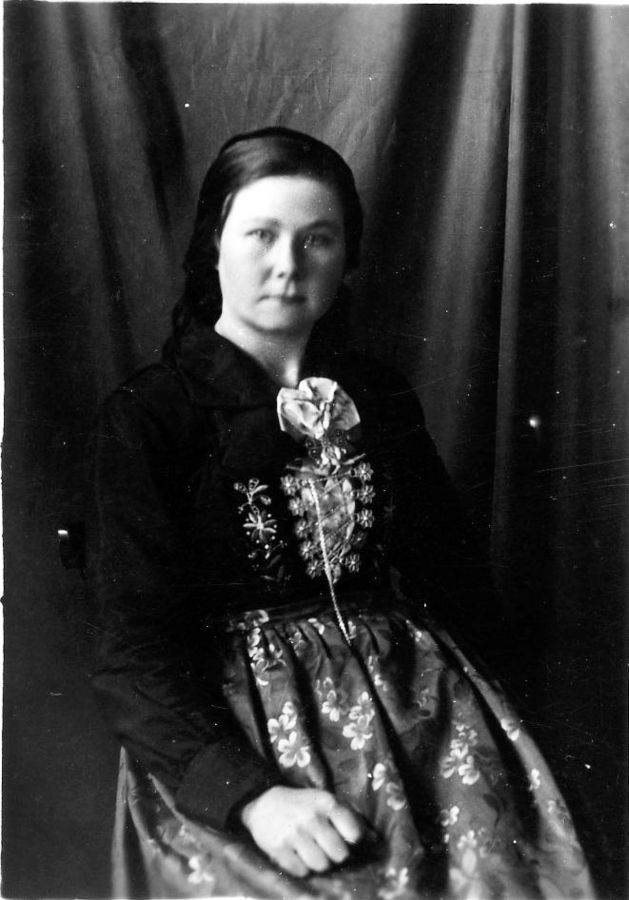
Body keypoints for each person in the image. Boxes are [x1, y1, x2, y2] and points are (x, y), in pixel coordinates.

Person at [87, 127, 596, 900]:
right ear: (213, 245)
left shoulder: (378, 395)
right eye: (260, 234)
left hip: (424, 721)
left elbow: (455, 581)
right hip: (241, 747)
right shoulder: (150, 416)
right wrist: (252, 799)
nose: (287, 264)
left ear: (345, 257)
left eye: (316, 239)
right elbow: (131, 651)